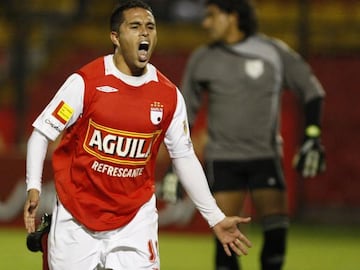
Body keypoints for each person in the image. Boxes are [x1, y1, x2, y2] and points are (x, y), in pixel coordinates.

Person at [23, 1, 252, 269]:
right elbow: (41, 134)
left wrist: (214, 217)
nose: (145, 33)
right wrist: (33, 186)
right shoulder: (86, 82)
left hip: (134, 218)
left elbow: (185, 157)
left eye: (150, 27)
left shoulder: (168, 95)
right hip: (76, 216)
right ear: (115, 37)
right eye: (135, 26)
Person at [161, 0, 326, 270]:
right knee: (226, 240)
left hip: (266, 155)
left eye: (212, 16)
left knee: (276, 238)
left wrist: (312, 135)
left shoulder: (273, 52)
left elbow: (312, 91)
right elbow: (183, 115)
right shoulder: (203, 58)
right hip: (223, 158)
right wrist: (173, 167)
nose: (205, 23)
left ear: (232, 16)